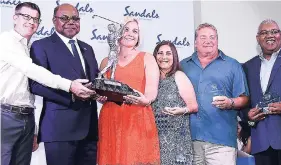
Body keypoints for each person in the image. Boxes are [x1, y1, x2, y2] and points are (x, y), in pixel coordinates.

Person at [0, 2, 95, 165]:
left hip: (28, 119)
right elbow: (34, 77)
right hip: (7, 116)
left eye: (35, 19)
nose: (31, 22)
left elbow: (27, 94)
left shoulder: (27, 46)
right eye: (26, 17)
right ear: (14, 18)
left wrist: (34, 128)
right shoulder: (7, 41)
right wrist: (71, 87)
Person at [29, 3, 99, 165]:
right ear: (54, 21)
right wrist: (72, 96)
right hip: (59, 130)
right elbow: (35, 85)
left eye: (75, 18)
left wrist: (103, 91)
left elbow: (94, 81)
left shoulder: (88, 48)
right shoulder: (41, 46)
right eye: (64, 18)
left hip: (89, 129)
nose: (71, 22)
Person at [180, 23, 249, 165]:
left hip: (222, 142)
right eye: (203, 37)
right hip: (188, 140)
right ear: (195, 42)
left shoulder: (232, 65)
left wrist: (230, 103)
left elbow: (244, 99)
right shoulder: (183, 65)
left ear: (217, 40)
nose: (208, 41)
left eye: (212, 37)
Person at [97, 18, 161, 165]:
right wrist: (99, 97)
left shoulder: (147, 58)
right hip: (110, 119)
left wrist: (147, 100)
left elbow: (151, 91)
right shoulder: (106, 62)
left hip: (137, 117)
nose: (130, 34)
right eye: (126, 29)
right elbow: (102, 90)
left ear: (139, 36)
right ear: (118, 32)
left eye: (135, 31)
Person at [242, 19, 281, 165]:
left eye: (274, 32)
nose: (270, 35)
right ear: (258, 38)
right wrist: (247, 115)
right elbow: (244, 101)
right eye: (264, 32)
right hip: (261, 142)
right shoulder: (248, 66)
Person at [151, 41, 198, 164]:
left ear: (174, 57)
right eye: (160, 53)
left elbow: (193, 106)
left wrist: (181, 110)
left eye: (168, 53)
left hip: (177, 142)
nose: (164, 57)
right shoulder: (152, 81)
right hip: (155, 141)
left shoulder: (179, 76)